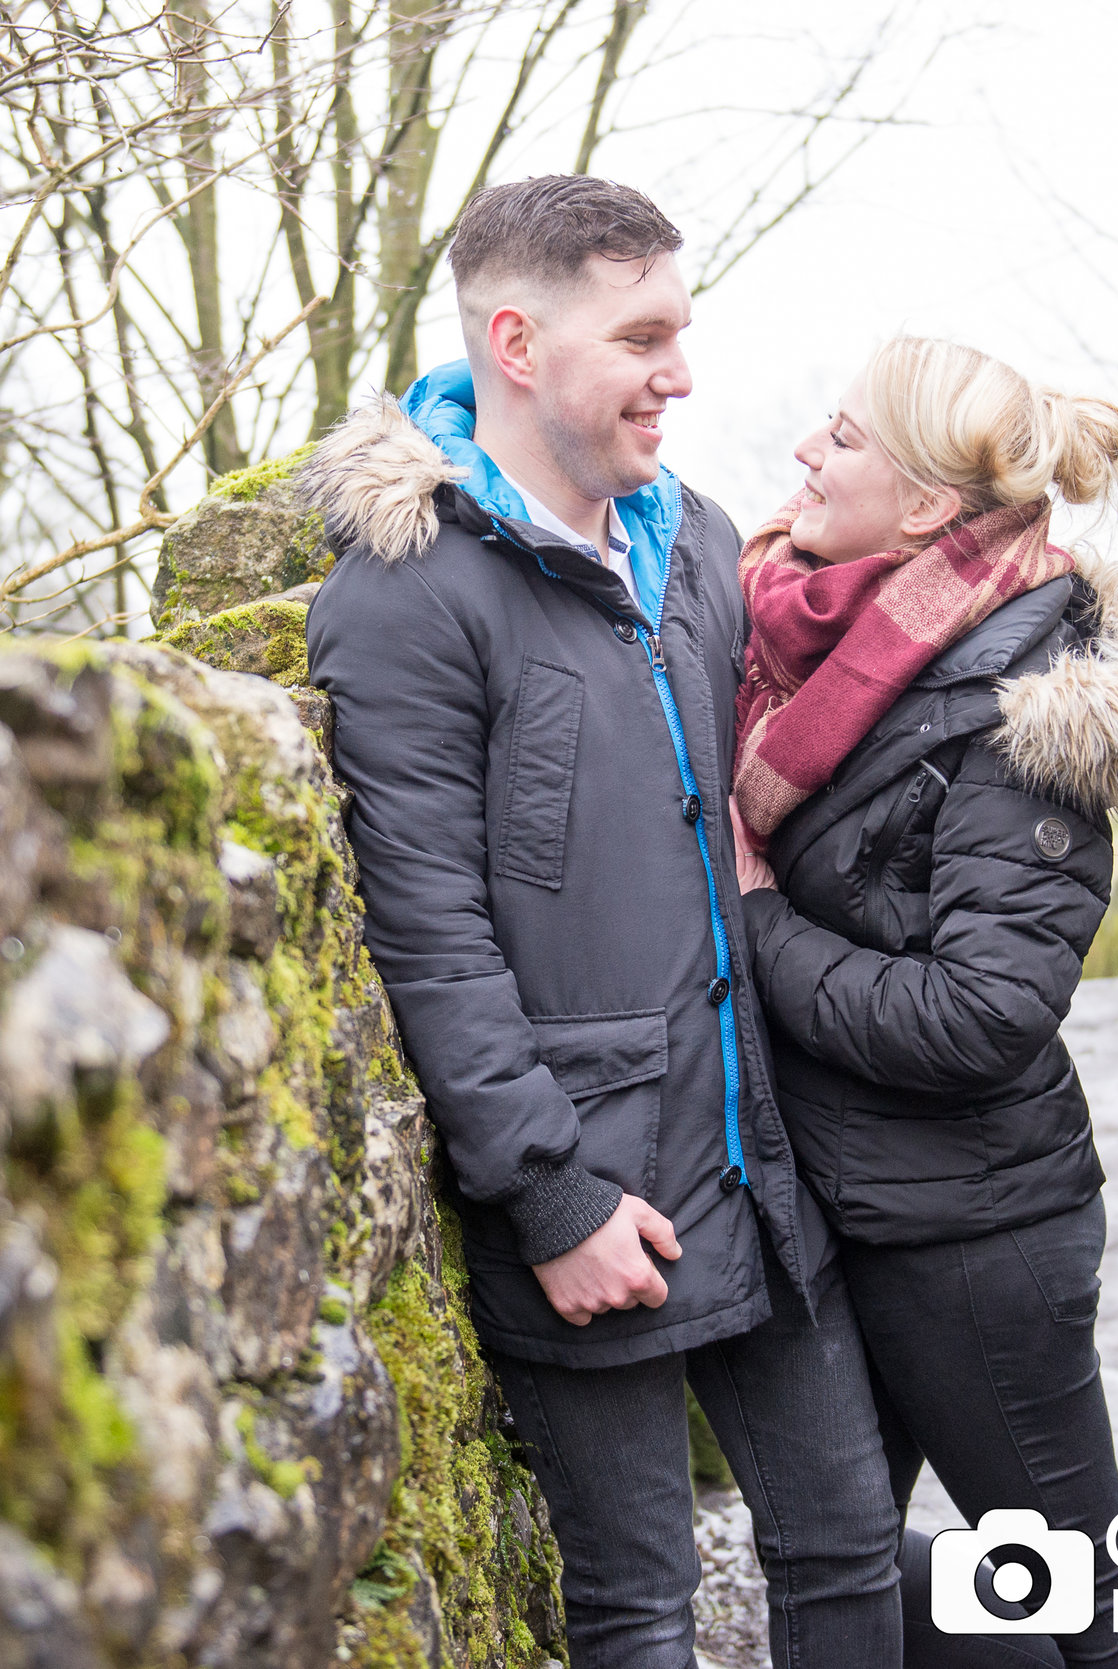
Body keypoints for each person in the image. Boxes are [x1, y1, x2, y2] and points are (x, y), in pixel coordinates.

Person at [301, 175, 902, 1669]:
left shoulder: (695, 537)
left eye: (681, 331)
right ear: (517, 340)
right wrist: (552, 1195)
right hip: (587, 1194)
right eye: (642, 337)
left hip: (762, 1165)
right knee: (638, 1615)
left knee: (851, 1555)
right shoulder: (406, 593)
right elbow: (426, 928)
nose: (680, 374)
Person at [733, 337, 1118, 1669]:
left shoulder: (1022, 705)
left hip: (972, 1235)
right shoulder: (817, 637)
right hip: (853, 1206)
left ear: (930, 508)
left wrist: (756, 914)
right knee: (845, 1561)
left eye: (840, 439)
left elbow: (977, 1014)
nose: (802, 459)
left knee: (1084, 1586)